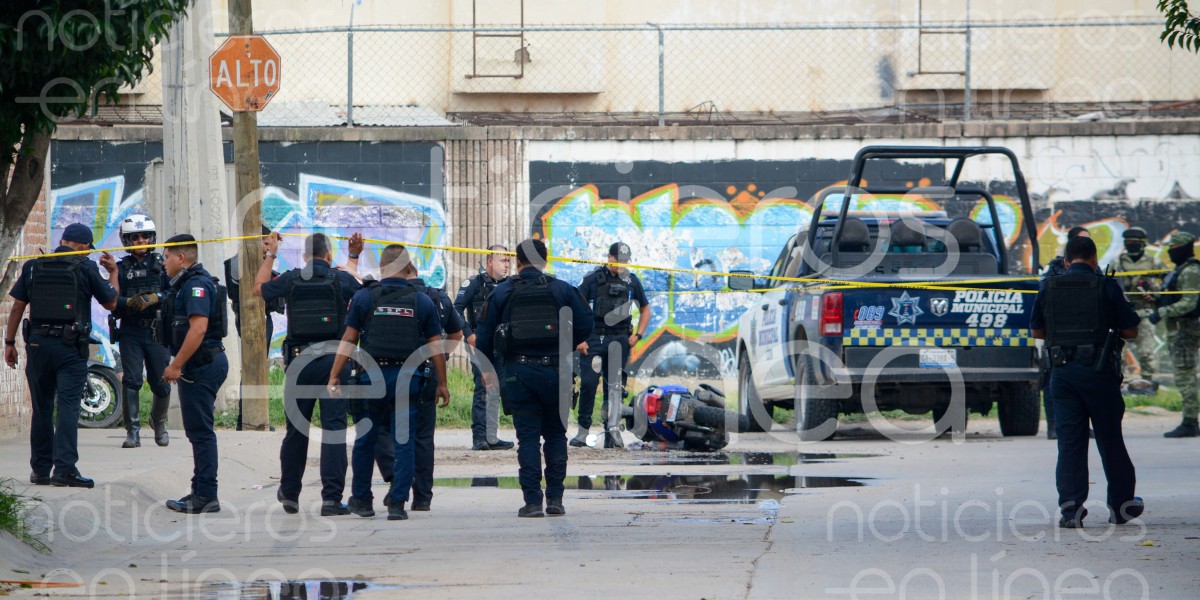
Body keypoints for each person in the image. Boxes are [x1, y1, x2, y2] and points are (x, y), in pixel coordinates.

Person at [327, 244, 450, 521]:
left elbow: (348, 340)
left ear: (381, 269)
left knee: (366, 439)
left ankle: (362, 499)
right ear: (409, 269)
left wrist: (335, 374)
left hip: (372, 377)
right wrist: (442, 383)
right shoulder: (423, 301)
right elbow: (435, 347)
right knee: (404, 441)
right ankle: (397, 503)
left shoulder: (364, 298)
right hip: (409, 379)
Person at [1031, 236, 1143, 528]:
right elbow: (1131, 330)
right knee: (1110, 440)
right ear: (1094, 259)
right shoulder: (1106, 285)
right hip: (1098, 373)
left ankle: (1071, 512)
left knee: (1069, 443)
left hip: (1063, 375)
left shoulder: (1048, 286)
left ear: (1067, 261)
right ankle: (1121, 507)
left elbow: (1038, 331)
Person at [476, 239, 593, 518]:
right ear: (546, 259)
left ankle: (531, 502)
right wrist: (565, 343)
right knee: (555, 435)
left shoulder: (502, 292)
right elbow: (586, 324)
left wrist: (489, 369)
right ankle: (555, 500)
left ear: (517, 262)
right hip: (556, 372)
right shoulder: (563, 289)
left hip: (519, 373)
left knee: (527, 437)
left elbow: (483, 338)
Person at [256, 232, 363, 516]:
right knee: (334, 430)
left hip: (299, 363)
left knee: (296, 430)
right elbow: (363, 295)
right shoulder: (341, 279)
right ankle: (331, 500)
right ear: (329, 256)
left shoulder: (291, 278)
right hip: (334, 366)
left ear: (305, 257)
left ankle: (290, 493)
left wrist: (271, 253)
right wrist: (352, 258)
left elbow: (259, 288)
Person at [5, 223, 118, 488]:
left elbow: (18, 306)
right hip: (69, 349)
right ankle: (65, 470)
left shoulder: (33, 266)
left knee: (41, 408)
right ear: (81, 246)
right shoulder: (86, 267)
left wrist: (9, 343)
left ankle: (41, 470)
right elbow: (112, 302)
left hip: (37, 347)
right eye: (87, 250)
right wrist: (112, 273)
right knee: (67, 406)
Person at [161, 234, 230, 514]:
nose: (163, 262)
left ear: (180, 258)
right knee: (197, 431)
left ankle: (207, 496)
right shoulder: (186, 283)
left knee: (201, 433)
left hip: (203, 365)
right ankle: (199, 490)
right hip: (201, 364)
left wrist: (176, 365)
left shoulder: (197, 285)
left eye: (166, 256)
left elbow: (198, 329)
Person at [573, 242, 650, 448]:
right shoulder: (592, 279)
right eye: (619, 260)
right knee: (589, 384)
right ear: (609, 258)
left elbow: (645, 309)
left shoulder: (632, 281)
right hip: (594, 339)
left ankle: (612, 431)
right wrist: (578, 339)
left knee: (614, 387)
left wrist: (639, 335)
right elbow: (575, 307)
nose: (622, 265)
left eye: (626, 260)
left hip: (619, 340)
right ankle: (583, 432)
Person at [404, 263, 466, 511]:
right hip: (427, 373)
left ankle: (397, 485)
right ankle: (422, 497)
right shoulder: (438, 297)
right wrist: (442, 359)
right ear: (415, 270)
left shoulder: (384, 295)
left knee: (391, 433)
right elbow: (457, 333)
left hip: (391, 373)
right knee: (423, 437)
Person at [111, 215, 173, 448]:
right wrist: (129, 302)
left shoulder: (162, 264)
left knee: (161, 381)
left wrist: (156, 297)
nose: (140, 240)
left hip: (157, 330)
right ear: (127, 240)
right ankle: (133, 431)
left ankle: (159, 423)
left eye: (145, 235)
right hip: (131, 331)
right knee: (132, 380)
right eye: (134, 237)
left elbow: (174, 293)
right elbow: (111, 299)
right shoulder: (120, 267)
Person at [454, 244, 514, 451]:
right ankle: (479, 437)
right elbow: (456, 309)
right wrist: (468, 334)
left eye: (508, 261)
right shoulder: (474, 283)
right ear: (490, 262)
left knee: (499, 388)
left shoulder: (510, 285)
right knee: (484, 387)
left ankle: (492, 436)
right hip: (480, 344)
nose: (506, 264)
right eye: (502, 260)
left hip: (502, 344)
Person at [1040, 225, 1093, 439]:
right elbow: (1042, 303)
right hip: (1059, 335)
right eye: (1082, 240)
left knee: (1086, 383)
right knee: (1053, 380)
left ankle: (1082, 424)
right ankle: (1054, 425)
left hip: (1085, 335)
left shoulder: (1095, 270)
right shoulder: (1054, 270)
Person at [1148, 231, 1200, 438]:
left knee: (1185, 376)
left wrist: (1162, 312)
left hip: (1185, 330)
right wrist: (1157, 300)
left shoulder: (1191, 271)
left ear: (1184, 248)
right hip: (1178, 330)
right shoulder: (1180, 270)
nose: (1170, 252)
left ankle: (1189, 422)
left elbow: (1189, 303)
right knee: (1184, 376)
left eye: (1174, 249)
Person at [1115, 227, 1165, 379]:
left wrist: (1154, 294)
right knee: (1119, 352)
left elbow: (1167, 284)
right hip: (1122, 313)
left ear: (1142, 243)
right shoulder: (1117, 262)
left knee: (1146, 352)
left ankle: (1148, 383)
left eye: (1134, 242)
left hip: (1145, 312)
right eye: (1128, 242)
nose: (1131, 244)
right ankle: (1119, 383)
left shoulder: (1153, 261)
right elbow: (1108, 284)